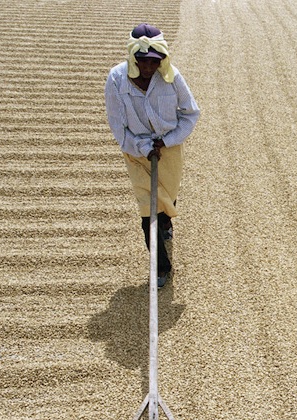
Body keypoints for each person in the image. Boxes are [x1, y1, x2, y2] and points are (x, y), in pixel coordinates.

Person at [105, 23, 200, 287]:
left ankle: (167, 223)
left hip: (169, 151)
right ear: (133, 58)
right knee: (149, 212)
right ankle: (160, 268)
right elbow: (118, 128)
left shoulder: (172, 77)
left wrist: (166, 140)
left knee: (167, 197)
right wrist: (143, 147)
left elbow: (191, 114)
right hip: (136, 155)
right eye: (143, 61)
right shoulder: (116, 79)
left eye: (154, 62)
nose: (148, 68)